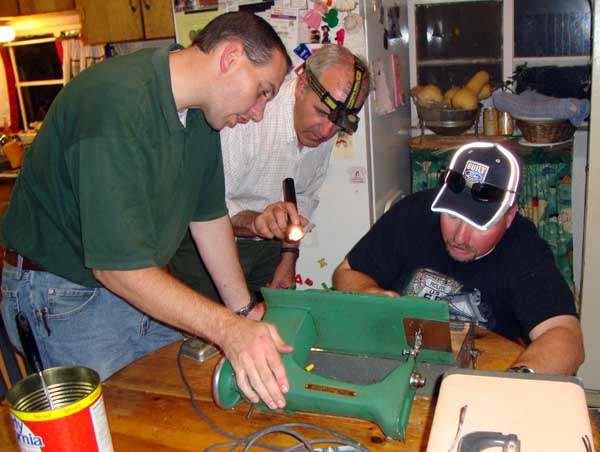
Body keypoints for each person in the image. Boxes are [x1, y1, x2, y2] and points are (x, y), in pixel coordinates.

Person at [1, 12, 294, 410]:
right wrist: (229, 330)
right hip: (63, 294)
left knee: (181, 401)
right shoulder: (116, 102)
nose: (258, 113)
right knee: (117, 423)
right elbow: (117, 269)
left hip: (133, 282)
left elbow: (208, 217)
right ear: (231, 57)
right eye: (262, 92)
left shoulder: (201, 116)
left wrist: (242, 313)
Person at [333, 142, 584, 376]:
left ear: (509, 216)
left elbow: (566, 336)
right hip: (398, 362)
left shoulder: (524, 249)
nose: (460, 237)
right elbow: (347, 272)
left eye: (480, 223)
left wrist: (515, 383)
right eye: (452, 216)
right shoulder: (413, 213)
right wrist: (369, 293)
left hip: (484, 372)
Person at [169, 44, 370, 301]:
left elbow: (304, 197)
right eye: (321, 112)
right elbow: (205, 206)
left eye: (338, 123)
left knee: (272, 318)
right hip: (207, 245)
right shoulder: (250, 114)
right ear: (301, 87)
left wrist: (288, 257)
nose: (326, 132)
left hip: (269, 246)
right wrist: (256, 222)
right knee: (212, 323)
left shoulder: (324, 127)